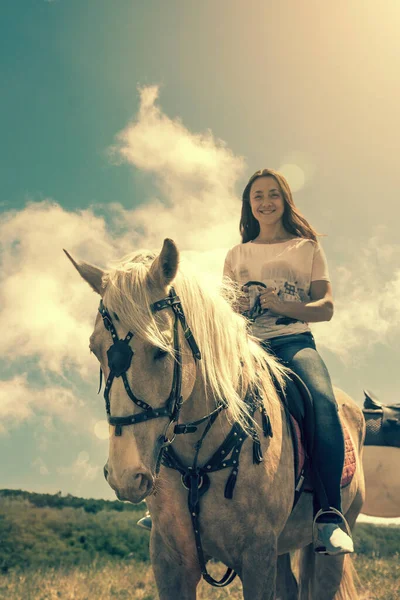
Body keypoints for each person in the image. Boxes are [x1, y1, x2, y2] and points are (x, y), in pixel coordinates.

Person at [223, 168, 354, 556]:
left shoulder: (306, 248)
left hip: (294, 341)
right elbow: (224, 309)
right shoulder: (236, 255)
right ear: (249, 205)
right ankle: (173, 500)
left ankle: (328, 515)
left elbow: (326, 308)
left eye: (273, 194)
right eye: (257, 196)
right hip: (245, 345)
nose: (265, 202)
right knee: (191, 390)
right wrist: (239, 308)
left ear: (285, 200)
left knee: (322, 400)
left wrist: (283, 306)